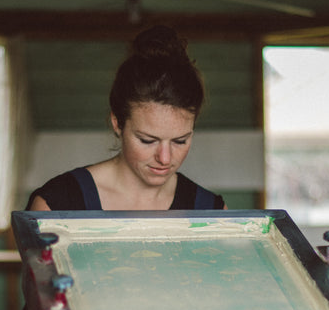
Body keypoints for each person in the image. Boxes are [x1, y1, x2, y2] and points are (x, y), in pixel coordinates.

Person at [26, 25, 226, 211]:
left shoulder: (211, 211)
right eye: (147, 140)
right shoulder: (57, 205)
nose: (164, 158)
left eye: (180, 141)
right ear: (118, 123)